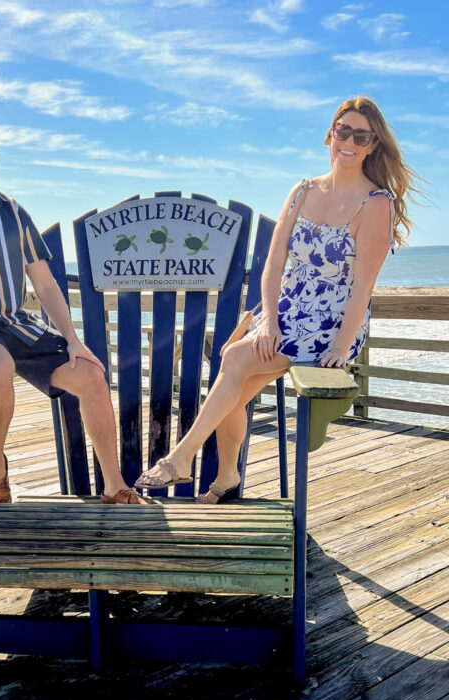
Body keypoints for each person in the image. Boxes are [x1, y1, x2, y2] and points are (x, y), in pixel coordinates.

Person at [137, 96, 420, 502]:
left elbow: (363, 286)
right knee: (234, 387)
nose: (350, 142)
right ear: (330, 134)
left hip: (331, 323)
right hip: (285, 312)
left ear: (372, 145)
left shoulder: (375, 204)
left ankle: (180, 460)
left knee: (234, 360)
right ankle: (225, 478)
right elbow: (273, 265)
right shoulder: (303, 191)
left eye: (362, 136)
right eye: (344, 131)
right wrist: (269, 319)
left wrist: (341, 347)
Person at [0, 115, 146, 505]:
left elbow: (45, 283)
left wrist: (73, 340)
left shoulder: (14, 213)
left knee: (92, 374)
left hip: (17, 325)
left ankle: (114, 485)